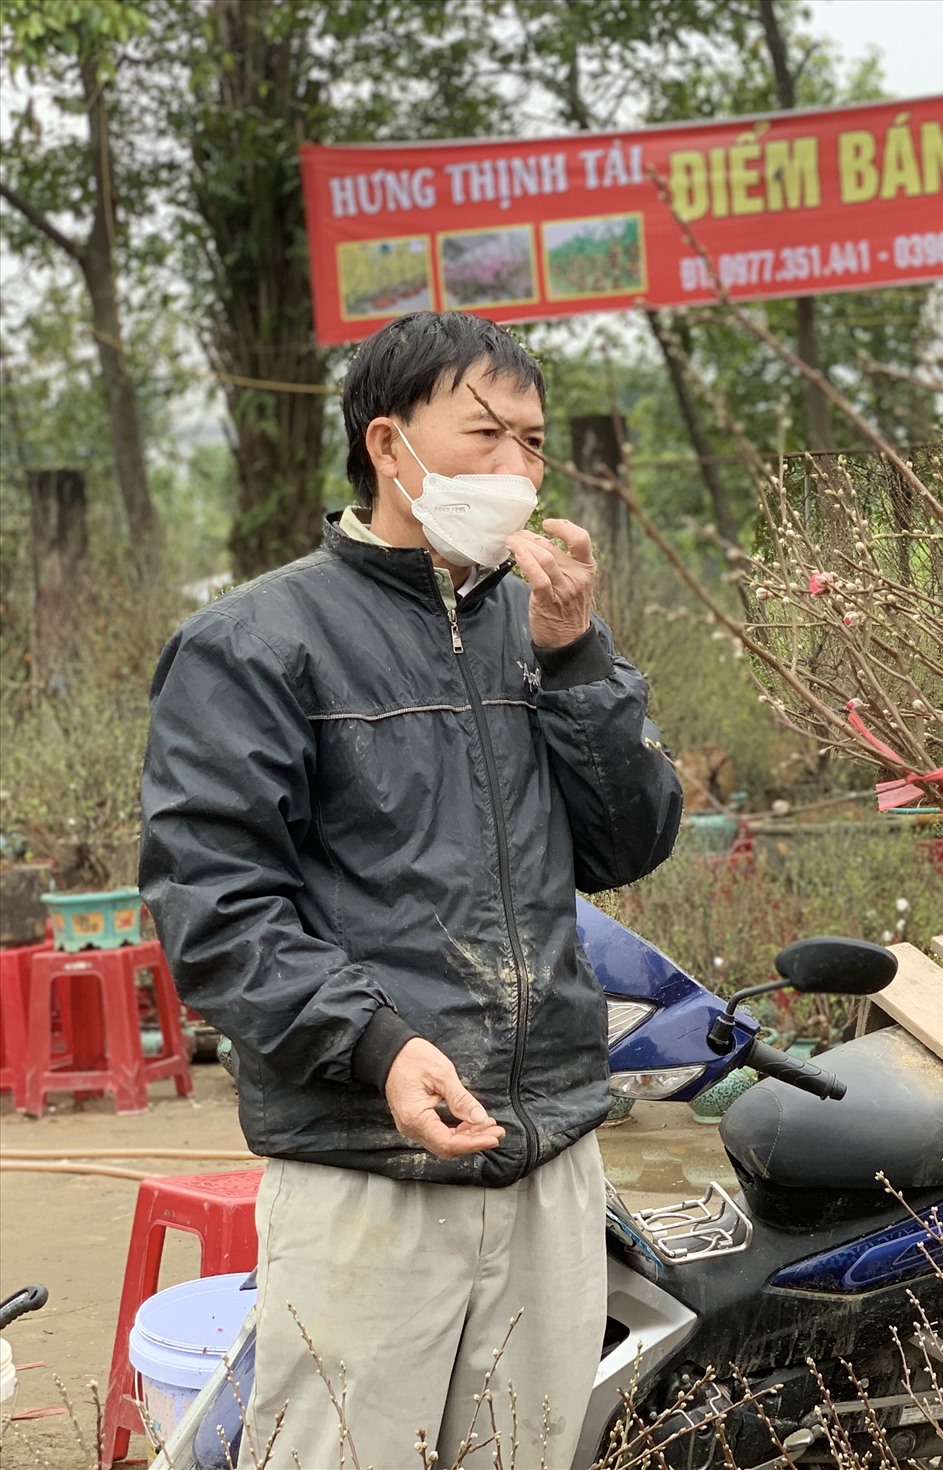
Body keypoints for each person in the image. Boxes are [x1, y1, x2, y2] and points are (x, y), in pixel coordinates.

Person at [139, 311, 684, 1469]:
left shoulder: (533, 632)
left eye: (534, 444)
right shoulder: (256, 643)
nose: (517, 469)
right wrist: (377, 1044)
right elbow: (214, 906)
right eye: (483, 433)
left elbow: (629, 840)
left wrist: (579, 655)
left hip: (547, 1154)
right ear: (390, 448)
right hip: (364, 1163)